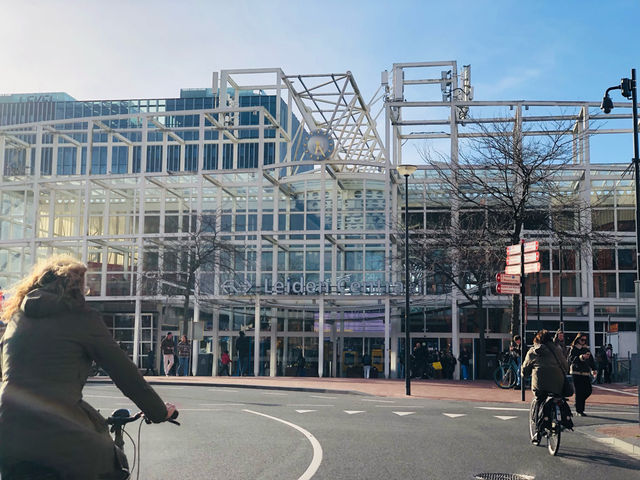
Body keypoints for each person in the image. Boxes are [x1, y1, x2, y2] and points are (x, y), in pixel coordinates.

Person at [0, 255, 176, 479]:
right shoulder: (81, 317)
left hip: (9, 436)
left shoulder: (17, 319)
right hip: (59, 433)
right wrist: (159, 412)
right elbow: (125, 374)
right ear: (75, 285)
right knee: (113, 465)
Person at [521, 329, 568, 443]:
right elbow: (565, 366)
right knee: (558, 397)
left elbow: (525, 368)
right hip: (558, 383)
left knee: (539, 400)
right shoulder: (557, 350)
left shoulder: (534, 351)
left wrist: (524, 375)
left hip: (540, 384)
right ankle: (560, 420)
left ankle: (538, 430)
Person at [568, 332, 597, 416]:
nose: (583, 341)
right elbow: (570, 359)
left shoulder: (586, 349)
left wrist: (594, 369)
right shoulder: (574, 348)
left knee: (588, 390)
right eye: (582, 340)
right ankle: (579, 410)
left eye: (585, 340)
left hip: (585, 373)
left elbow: (591, 360)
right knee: (579, 391)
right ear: (578, 339)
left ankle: (578, 403)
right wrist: (581, 357)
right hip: (576, 372)